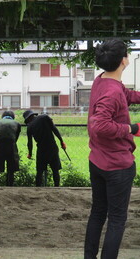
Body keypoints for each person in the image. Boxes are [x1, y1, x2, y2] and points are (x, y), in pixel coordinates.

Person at [84, 39, 139, 259]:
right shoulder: (112, 91)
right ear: (123, 60)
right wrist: (132, 128)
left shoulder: (103, 81)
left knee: (98, 212)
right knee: (117, 219)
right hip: (117, 166)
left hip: (97, 160)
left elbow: (126, 96)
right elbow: (101, 125)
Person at [23, 110, 66, 187]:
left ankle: (38, 189)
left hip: (41, 150)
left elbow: (30, 143)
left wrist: (30, 153)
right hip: (52, 147)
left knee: (39, 171)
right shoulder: (44, 117)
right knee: (55, 170)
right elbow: (54, 129)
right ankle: (57, 187)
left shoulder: (29, 127)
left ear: (28, 118)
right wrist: (61, 141)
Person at [0, 110, 21, 186]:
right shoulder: (17, 123)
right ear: (13, 117)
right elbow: (16, 138)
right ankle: (10, 186)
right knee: (11, 167)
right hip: (10, 144)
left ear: (2, 116)